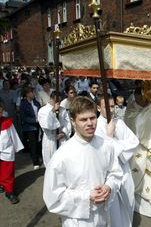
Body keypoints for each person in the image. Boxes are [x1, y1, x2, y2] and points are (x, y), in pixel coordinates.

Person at [43, 96, 122, 226]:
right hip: (77, 220)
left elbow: (115, 173)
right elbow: (53, 197)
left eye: (92, 118)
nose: (90, 123)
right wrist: (86, 196)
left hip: (104, 216)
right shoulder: (61, 156)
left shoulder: (106, 145)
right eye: (83, 119)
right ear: (73, 122)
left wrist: (109, 186)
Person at [124, 80, 151, 218]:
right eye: (140, 98)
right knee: (138, 176)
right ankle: (137, 204)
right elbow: (131, 126)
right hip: (138, 150)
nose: (142, 101)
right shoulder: (131, 109)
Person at [95, 95, 139, 227]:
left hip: (124, 168)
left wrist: (115, 143)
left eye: (113, 106)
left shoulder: (119, 122)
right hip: (109, 174)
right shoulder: (96, 127)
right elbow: (101, 151)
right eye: (106, 107)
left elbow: (134, 141)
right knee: (114, 210)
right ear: (98, 108)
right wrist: (110, 137)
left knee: (129, 200)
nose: (111, 110)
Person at [38, 91, 71, 167]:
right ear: (51, 99)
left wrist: (63, 132)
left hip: (62, 138)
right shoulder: (43, 110)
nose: (58, 103)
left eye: (59, 101)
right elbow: (47, 125)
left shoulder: (63, 109)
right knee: (51, 163)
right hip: (50, 139)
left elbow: (67, 123)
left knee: (63, 162)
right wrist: (53, 111)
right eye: (56, 101)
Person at [0, 102, 24, 204]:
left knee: (8, 173)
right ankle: (1, 184)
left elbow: (14, 136)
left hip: (6, 151)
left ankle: (9, 192)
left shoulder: (7, 122)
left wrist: (16, 149)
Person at [19, 87, 41, 170]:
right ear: (27, 94)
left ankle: (38, 156)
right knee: (33, 144)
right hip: (29, 127)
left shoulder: (36, 102)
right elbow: (23, 117)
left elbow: (40, 112)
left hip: (38, 126)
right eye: (31, 92)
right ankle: (35, 161)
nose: (33, 94)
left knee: (38, 142)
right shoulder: (23, 104)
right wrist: (34, 120)